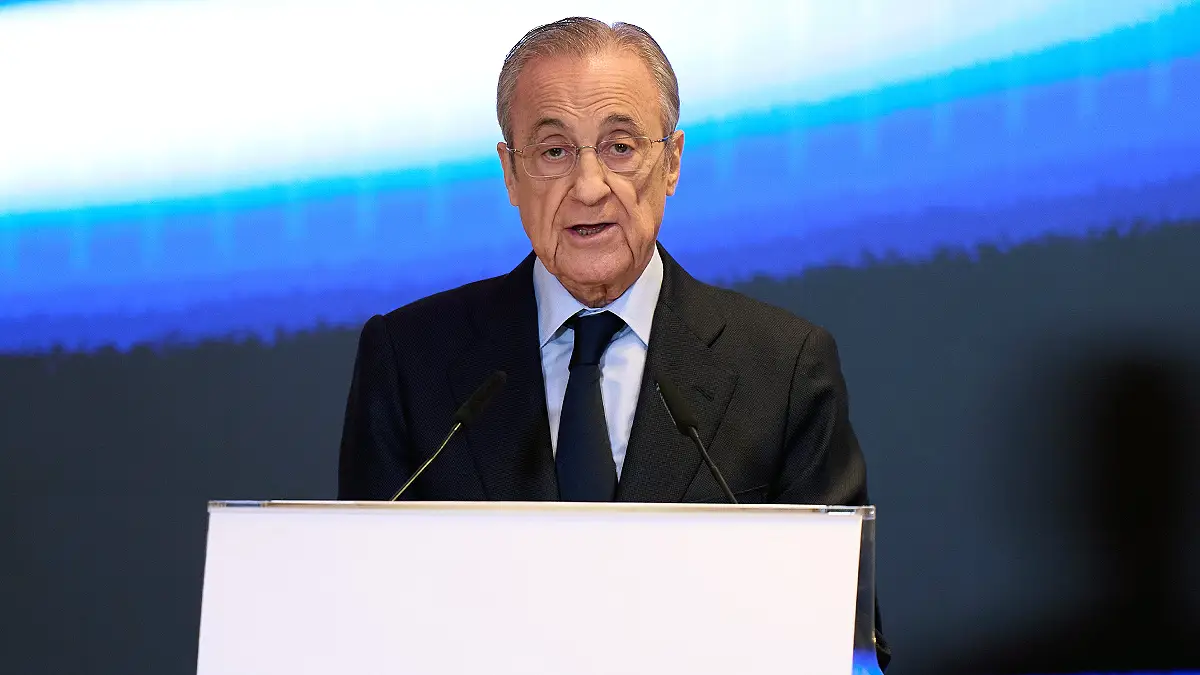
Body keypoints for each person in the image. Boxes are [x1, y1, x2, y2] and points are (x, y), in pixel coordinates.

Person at [338, 16, 888, 669]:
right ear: (510, 174)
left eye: (620, 147)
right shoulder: (409, 361)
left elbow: (842, 642)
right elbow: (362, 623)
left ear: (673, 162)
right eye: (553, 151)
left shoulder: (784, 369)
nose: (589, 186)